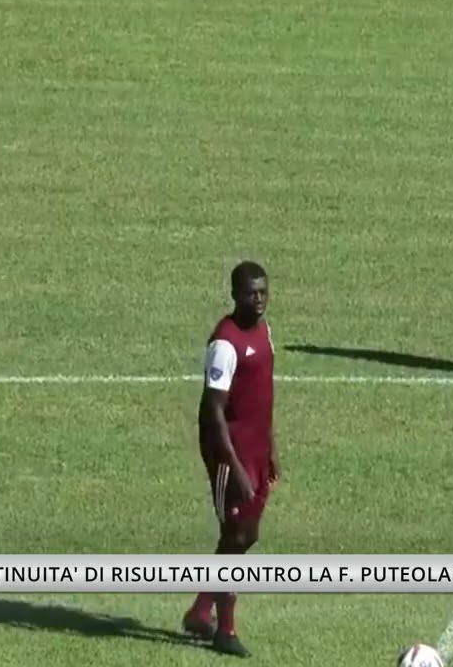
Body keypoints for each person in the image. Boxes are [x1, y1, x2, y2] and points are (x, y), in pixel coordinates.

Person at [183, 260, 278, 657]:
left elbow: (261, 395)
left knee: (244, 536)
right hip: (229, 453)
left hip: (255, 449)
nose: (258, 299)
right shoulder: (224, 344)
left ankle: (200, 610)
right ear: (235, 295)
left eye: (263, 292)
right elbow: (213, 411)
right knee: (237, 536)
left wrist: (270, 447)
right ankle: (225, 629)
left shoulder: (263, 330)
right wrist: (233, 466)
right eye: (251, 293)